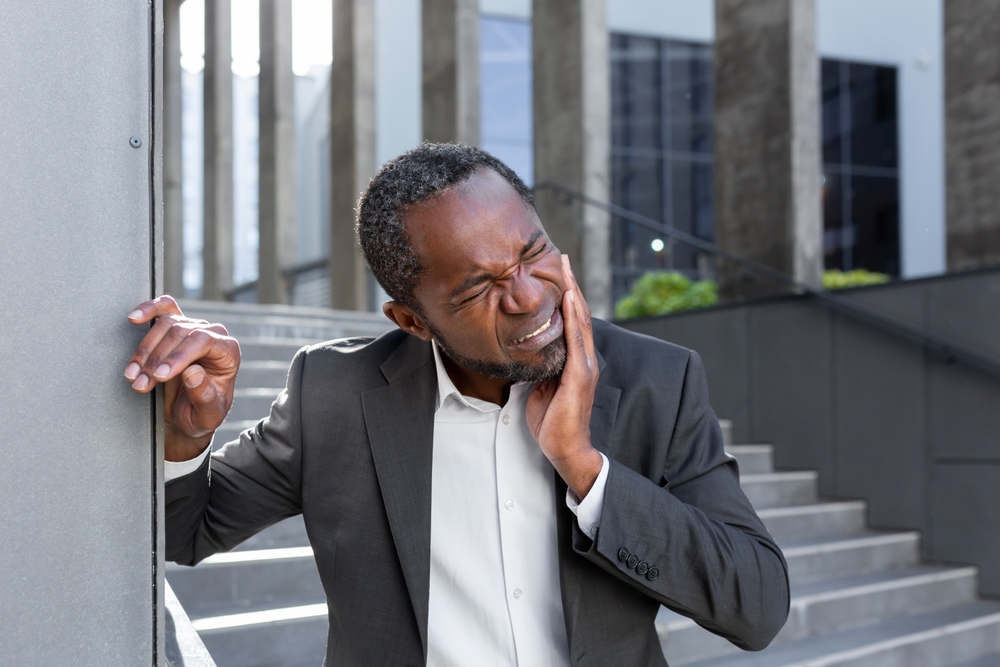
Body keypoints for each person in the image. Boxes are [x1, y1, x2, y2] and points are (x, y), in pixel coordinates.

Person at [125, 143, 789, 666]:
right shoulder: (333, 395)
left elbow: (756, 604)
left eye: (533, 254)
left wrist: (585, 468)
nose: (530, 296)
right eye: (480, 287)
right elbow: (186, 530)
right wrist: (188, 433)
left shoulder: (657, 380)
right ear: (412, 320)